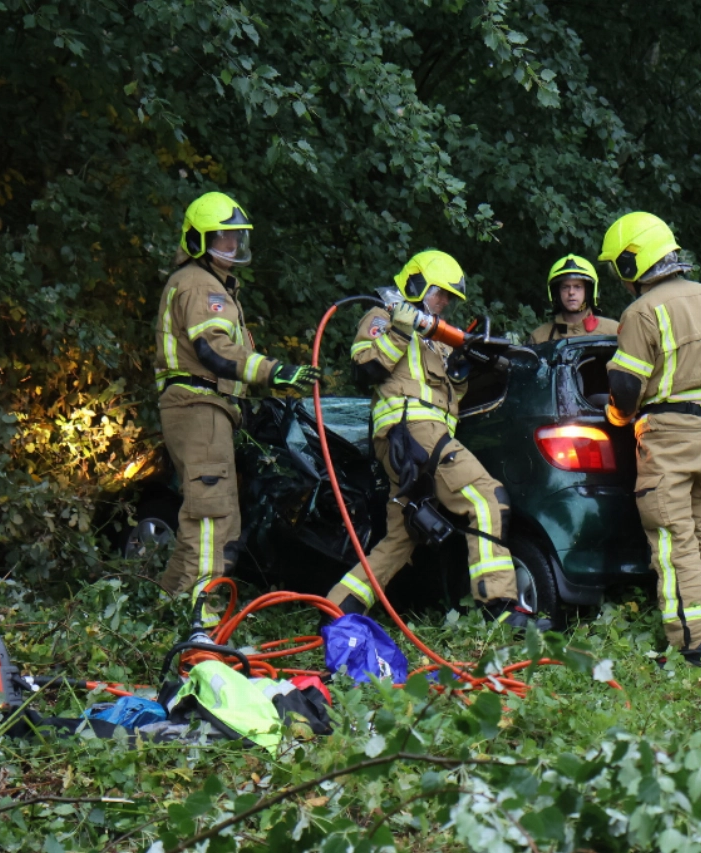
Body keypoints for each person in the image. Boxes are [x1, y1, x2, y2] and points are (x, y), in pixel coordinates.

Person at [324, 250, 549, 632]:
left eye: (448, 298)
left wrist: (462, 368)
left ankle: (336, 608)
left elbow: (450, 396)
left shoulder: (435, 339)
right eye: (438, 293)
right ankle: (500, 607)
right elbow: (367, 370)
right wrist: (399, 329)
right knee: (485, 497)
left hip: (423, 435)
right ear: (414, 284)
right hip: (411, 431)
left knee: (401, 537)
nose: (443, 303)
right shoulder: (382, 316)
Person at [154, 191, 320, 626]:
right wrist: (272, 371)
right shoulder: (198, 284)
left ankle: (170, 606)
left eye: (235, 237)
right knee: (213, 515)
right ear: (198, 240)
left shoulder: (213, 284)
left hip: (206, 404)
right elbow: (214, 351)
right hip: (198, 403)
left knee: (205, 513)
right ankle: (201, 619)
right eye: (222, 237)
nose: (231, 246)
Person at [601, 213, 701, 665]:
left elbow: (626, 389)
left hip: (666, 438)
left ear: (630, 262)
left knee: (672, 540)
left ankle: (691, 645)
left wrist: (617, 416)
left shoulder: (642, 311)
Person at [526, 254, 619, 344]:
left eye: (578, 287)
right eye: (565, 287)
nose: (571, 292)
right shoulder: (539, 338)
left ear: (589, 292)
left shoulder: (613, 331)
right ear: (556, 293)